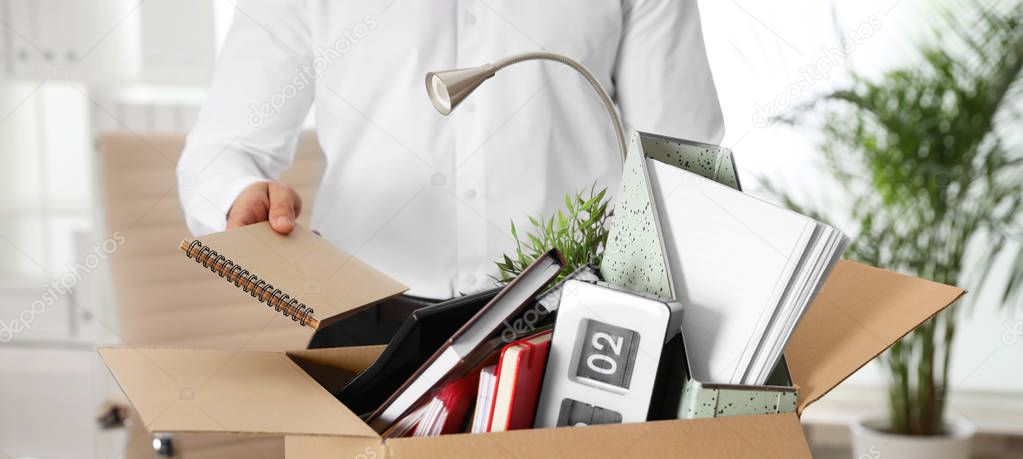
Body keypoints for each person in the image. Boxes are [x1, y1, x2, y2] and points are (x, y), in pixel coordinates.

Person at [177, 0, 723, 348]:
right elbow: (222, 152)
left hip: (577, 332)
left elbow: (679, 158)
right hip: (369, 335)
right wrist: (237, 197)